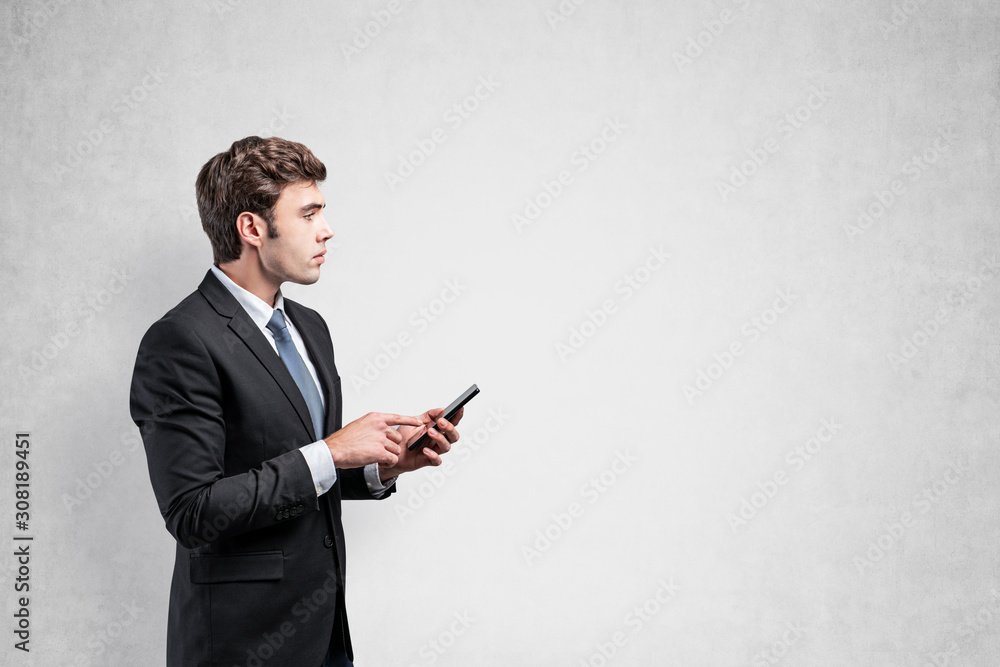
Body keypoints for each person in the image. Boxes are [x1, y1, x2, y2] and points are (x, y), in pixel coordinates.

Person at [129, 136, 462, 667]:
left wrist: (381, 466)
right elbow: (193, 512)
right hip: (239, 644)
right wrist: (332, 451)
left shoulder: (310, 327)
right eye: (309, 214)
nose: (326, 229)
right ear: (252, 228)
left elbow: (297, 475)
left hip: (324, 636)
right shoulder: (180, 341)